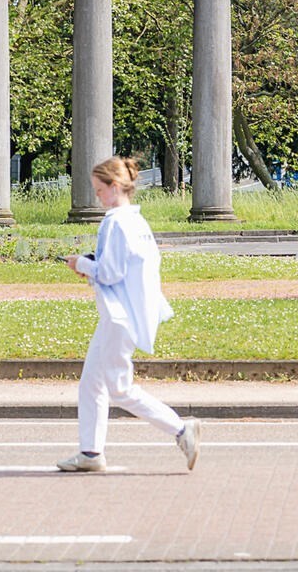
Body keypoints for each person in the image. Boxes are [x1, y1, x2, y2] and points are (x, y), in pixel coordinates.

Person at [57, 155, 200, 473]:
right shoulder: (136, 222)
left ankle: (180, 429)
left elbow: (110, 273)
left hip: (119, 315)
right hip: (126, 312)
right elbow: (124, 267)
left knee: (119, 388)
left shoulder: (116, 222)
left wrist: (82, 264)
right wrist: (90, 265)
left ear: (114, 186)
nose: (97, 196)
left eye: (99, 190)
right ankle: (90, 452)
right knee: (92, 382)